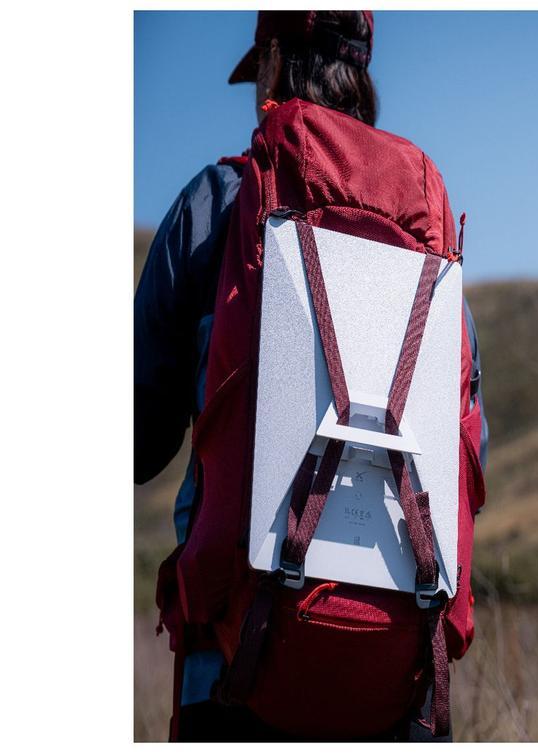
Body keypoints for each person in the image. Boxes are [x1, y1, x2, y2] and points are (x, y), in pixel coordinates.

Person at [134, 10, 488, 741]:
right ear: (363, 77)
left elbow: (137, 441)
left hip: (233, 679)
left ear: (270, 68)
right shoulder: (431, 240)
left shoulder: (217, 206)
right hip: (401, 687)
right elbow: (468, 461)